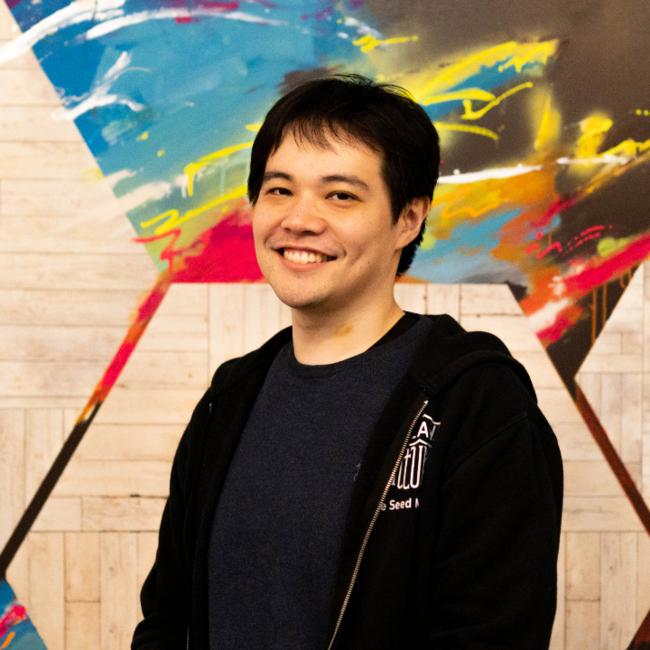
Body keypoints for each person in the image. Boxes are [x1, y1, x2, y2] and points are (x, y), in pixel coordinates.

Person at [132, 75, 563, 650]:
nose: (299, 219)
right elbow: (166, 622)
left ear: (408, 219)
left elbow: (493, 635)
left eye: (340, 195)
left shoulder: (476, 404)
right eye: (279, 190)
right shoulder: (227, 401)